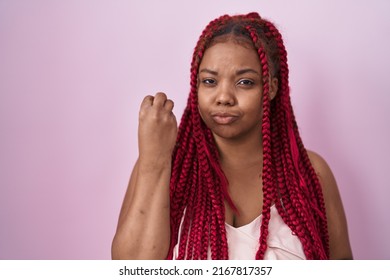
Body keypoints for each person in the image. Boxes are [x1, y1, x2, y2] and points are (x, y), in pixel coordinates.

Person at [111, 12, 353, 260]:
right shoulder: (162, 163)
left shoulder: (310, 173)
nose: (224, 96)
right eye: (209, 81)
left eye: (245, 82)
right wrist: (155, 161)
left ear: (270, 87)